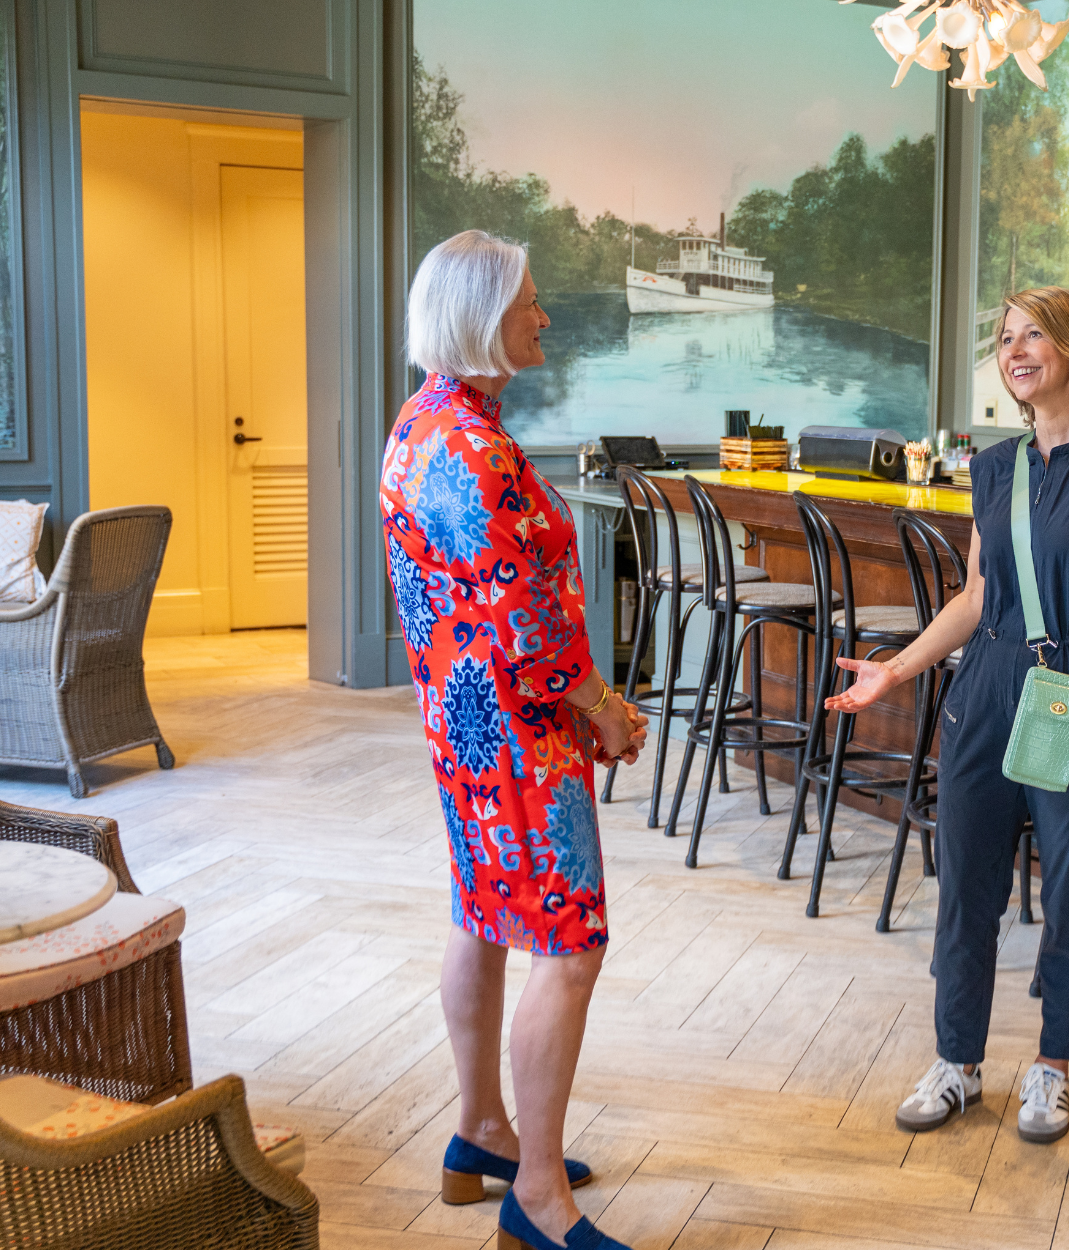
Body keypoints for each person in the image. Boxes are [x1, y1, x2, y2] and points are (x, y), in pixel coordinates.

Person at [825, 285, 1069, 1145]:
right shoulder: (994, 468)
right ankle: (957, 1060)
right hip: (987, 696)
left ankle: (1052, 1067)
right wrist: (898, 668)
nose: (1015, 350)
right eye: (1004, 338)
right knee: (965, 889)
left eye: (1033, 335)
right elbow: (977, 596)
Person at [381, 229, 649, 1250]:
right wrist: (604, 708)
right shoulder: (476, 452)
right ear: (482, 316)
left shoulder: (422, 424)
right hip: (519, 737)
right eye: (529, 301)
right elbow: (527, 626)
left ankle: (482, 1131)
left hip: (464, 725)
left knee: (483, 911)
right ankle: (535, 1194)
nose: (543, 315)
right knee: (570, 947)